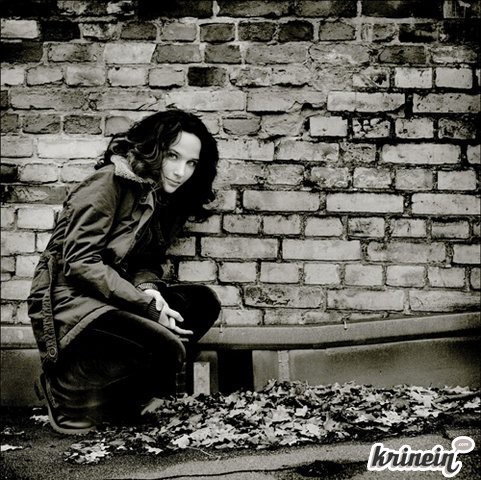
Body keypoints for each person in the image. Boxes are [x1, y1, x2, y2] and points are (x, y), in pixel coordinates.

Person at [27, 110, 221, 434]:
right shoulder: (108, 182)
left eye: (191, 163)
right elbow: (79, 263)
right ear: (153, 149)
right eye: (173, 156)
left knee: (200, 305)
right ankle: (65, 389)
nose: (180, 171)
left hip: (114, 297)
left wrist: (149, 291)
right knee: (167, 348)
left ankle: (116, 401)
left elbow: (146, 261)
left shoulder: (164, 198)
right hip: (71, 300)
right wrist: (145, 305)